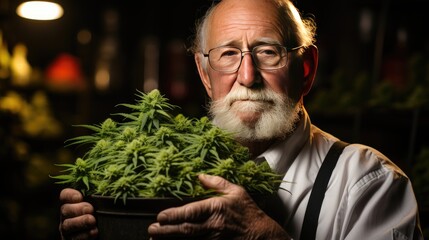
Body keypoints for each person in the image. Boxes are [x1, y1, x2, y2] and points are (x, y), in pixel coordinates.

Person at [58, 0, 423, 239]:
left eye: (268, 52)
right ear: (205, 75)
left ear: (307, 70)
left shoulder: (366, 183)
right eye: (229, 53)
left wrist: (264, 236)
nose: (248, 76)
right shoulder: (163, 174)